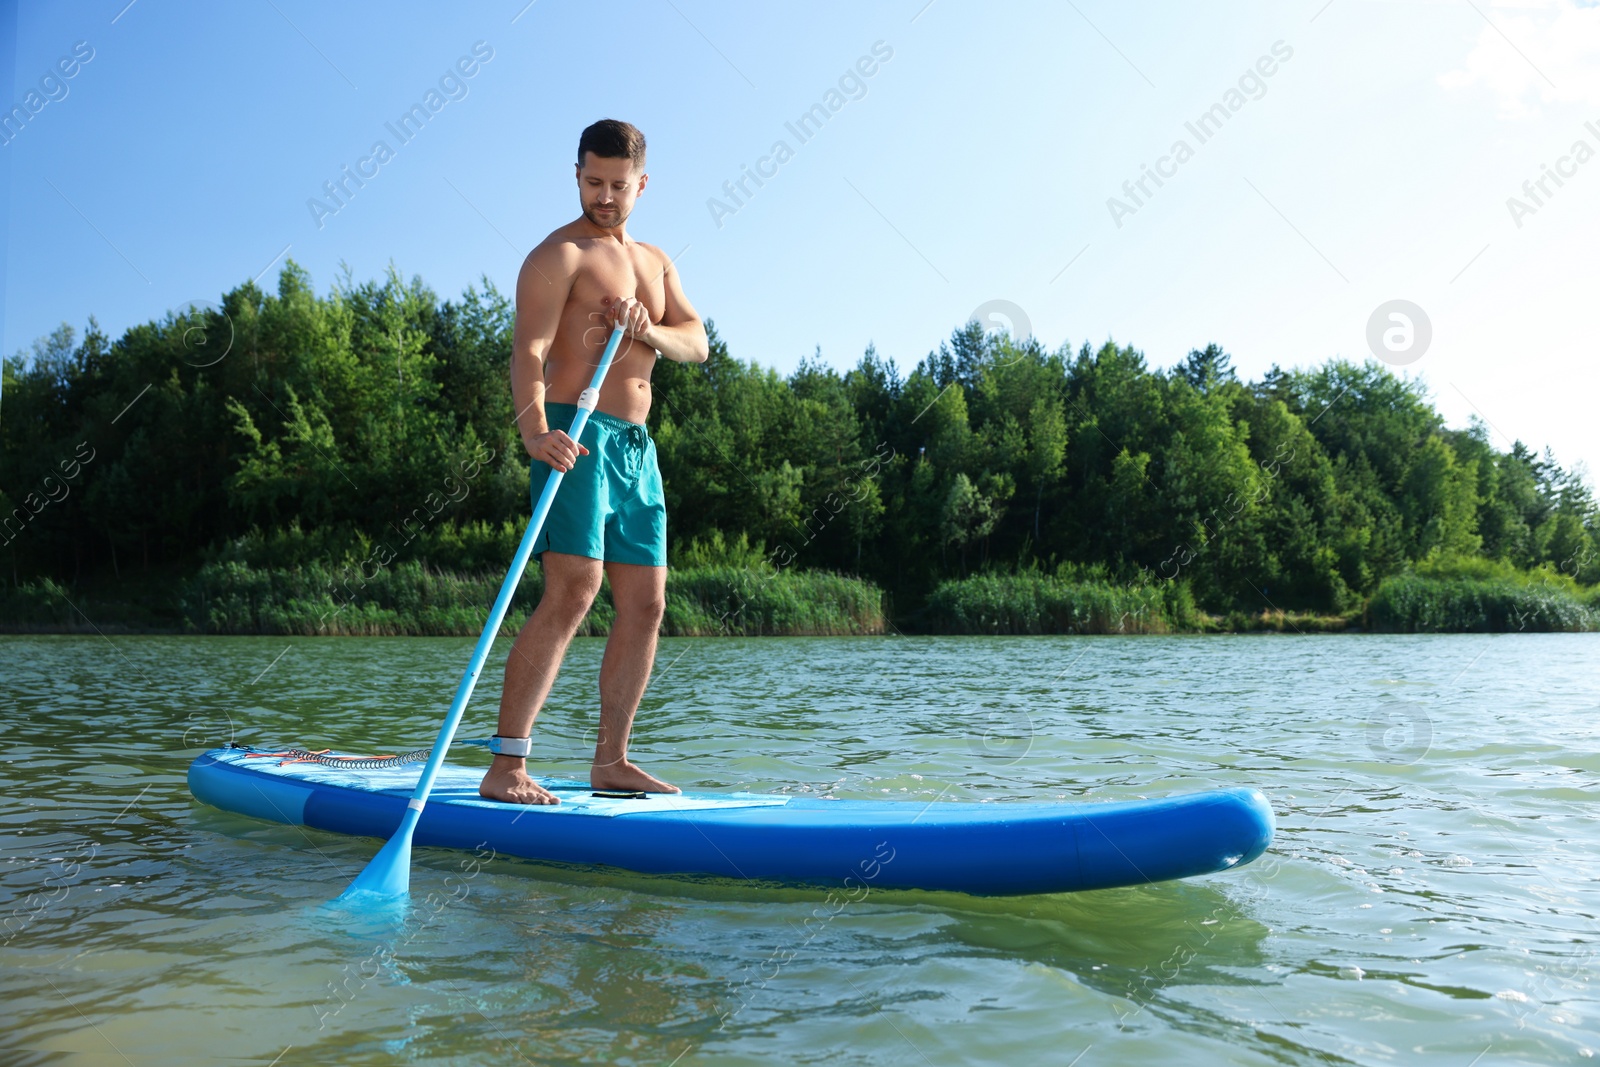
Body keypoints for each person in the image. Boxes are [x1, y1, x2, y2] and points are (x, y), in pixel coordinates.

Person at [478, 119, 708, 806]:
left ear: (642, 184)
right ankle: (507, 765)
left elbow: (697, 342)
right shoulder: (559, 255)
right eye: (592, 181)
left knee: (646, 602)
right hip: (576, 435)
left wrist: (648, 330)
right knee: (575, 588)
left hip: (638, 450)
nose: (604, 197)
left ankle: (611, 761)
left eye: (617, 185)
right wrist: (534, 433)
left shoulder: (657, 261)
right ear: (575, 174)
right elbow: (529, 351)